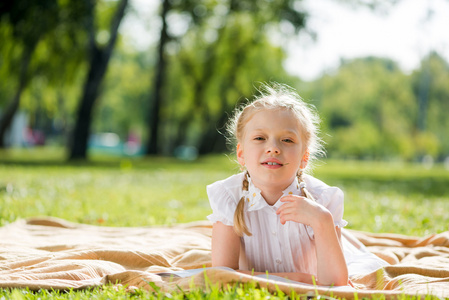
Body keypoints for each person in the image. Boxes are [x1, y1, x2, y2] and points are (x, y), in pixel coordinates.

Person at [207, 83, 387, 287]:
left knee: (359, 256)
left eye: (287, 140)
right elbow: (221, 277)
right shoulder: (229, 197)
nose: (273, 148)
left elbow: (335, 283)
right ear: (241, 154)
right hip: (291, 279)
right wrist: (293, 280)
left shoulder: (323, 200)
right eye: (260, 138)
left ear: (304, 157)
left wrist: (323, 221)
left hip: (333, 252)